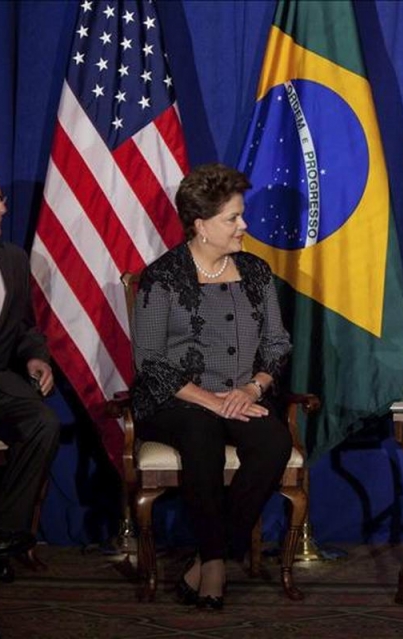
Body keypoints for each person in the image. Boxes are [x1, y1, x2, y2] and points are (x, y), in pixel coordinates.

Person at [131, 163, 293, 610]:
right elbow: (151, 362)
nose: (244, 226)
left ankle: (208, 556)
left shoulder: (256, 272)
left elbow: (278, 343)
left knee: (274, 441)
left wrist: (254, 389)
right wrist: (212, 403)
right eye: (232, 219)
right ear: (201, 225)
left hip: (241, 394)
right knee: (199, 435)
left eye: (241, 215)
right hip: (176, 400)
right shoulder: (162, 277)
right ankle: (218, 566)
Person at [0, 162, 60, 583]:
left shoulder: (13, 260)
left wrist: (36, 357)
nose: (2, 208)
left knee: (42, 423)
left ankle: (0, 537)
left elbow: (24, 326)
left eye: (0, 199)